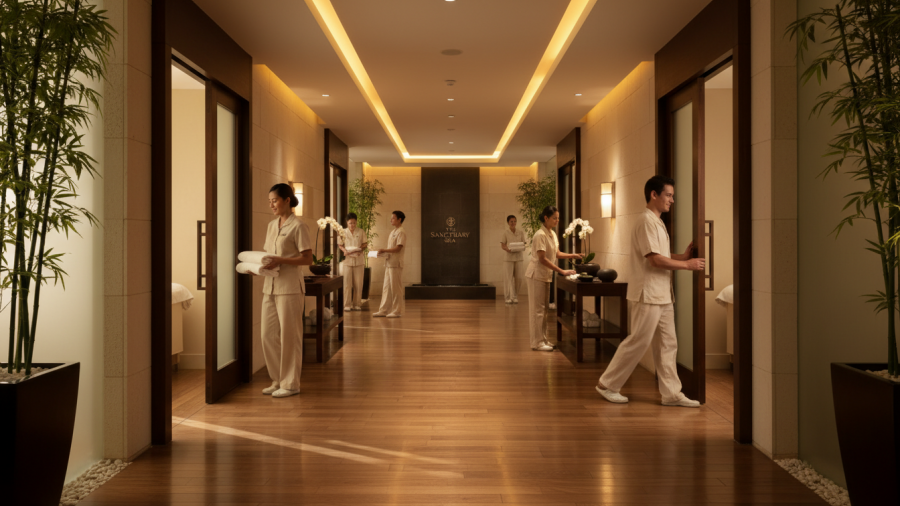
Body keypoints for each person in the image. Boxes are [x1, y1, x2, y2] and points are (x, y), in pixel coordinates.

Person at [595, 175, 705, 408]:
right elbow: (654, 260)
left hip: (662, 294)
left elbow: (660, 254)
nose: (671, 200)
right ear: (654, 195)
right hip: (649, 294)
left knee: (668, 343)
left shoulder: (656, 220)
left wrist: (682, 257)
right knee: (638, 341)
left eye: (673, 196)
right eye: (668, 195)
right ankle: (608, 384)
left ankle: (671, 393)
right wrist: (688, 265)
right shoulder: (646, 221)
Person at [258, 183, 313, 398]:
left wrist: (279, 260)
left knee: (290, 336)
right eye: (269, 200)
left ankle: (291, 384)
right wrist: (258, 267)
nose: (271, 204)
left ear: (287, 200)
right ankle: (277, 379)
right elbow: (267, 255)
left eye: (275, 200)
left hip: (290, 289)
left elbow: (307, 258)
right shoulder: (272, 226)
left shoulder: (299, 226)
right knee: (267, 336)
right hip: (269, 287)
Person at [524, 206, 582, 351]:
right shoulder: (540, 235)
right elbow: (542, 259)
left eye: (558, 218)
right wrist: (562, 271)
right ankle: (536, 343)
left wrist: (572, 255)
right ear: (546, 218)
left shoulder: (552, 234)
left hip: (545, 275)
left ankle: (543, 340)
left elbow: (556, 253)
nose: (557, 220)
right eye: (554, 218)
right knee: (537, 310)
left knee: (543, 310)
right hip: (536, 275)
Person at [373, 210, 406, 318]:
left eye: (393, 218)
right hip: (389, 263)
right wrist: (383, 253)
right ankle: (383, 310)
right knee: (386, 288)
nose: (391, 220)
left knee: (396, 288)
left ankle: (397, 311)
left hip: (396, 264)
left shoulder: (401, 232)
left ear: (399, 219)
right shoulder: (393, 231)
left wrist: (384, 250)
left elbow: (398, 248)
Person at [338, 212, 368, 311]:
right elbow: (340, 244)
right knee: (347, 283)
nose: (352, 225)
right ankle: (347, 305)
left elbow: (365, 244)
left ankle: (357, 304)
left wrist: (359, 249)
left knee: (358, 283)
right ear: (347, 222)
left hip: (359, 261)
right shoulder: (342, 232)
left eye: (354, 223)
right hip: (347, 261)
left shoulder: (361, 232)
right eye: (350, 223)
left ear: (356, 222)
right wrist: (345, 251)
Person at [500, 215, 526, 305]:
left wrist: (522, 247)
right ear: (508, 223)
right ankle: (507, 297)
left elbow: (524, 244)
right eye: (511, 221)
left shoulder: (520, 232)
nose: (513, 223)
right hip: (508, 258)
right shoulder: (505, 233)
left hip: (519, 258)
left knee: (519, 278)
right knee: (508, 278)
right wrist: (508, 249)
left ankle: (514, 296)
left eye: (514, 221)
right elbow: (503, 245)